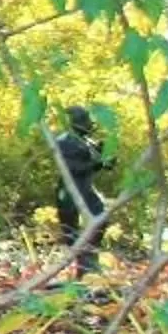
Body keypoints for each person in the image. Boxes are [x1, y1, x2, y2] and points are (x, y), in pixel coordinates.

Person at [52, 106, 109, 274]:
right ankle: (84, 266)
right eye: (85, 121)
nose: (89, 125)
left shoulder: (86, 141)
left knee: (101, 219)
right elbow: (72, 168)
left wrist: (104, 160)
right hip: (71, 192)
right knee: (72, 232)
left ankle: (89, 263)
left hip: (86, 188)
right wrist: (97, 164)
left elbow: (89, 166)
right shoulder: (65, 141)